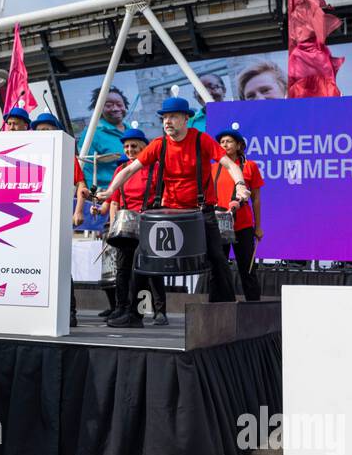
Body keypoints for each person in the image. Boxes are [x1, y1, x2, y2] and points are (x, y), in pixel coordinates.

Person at [101, 96, 250, 305]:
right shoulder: (158, 145)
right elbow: (130, 170)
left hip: (201, 211)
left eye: (172, 117)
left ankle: (222, 307)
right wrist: (110, 192)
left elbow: (230, 165)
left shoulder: (202, 140)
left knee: (217, 258)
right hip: (168, 211)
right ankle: (134, 312)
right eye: (164, 118)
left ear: (186, 119)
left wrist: (240, 185)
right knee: (142, 257)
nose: (167, 122)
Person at [105, 127, 168, 328]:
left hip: (148, 222)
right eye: (126, 146)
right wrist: (112, 228)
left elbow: (165, 196)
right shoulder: (120, 170)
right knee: (122, 269)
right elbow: (114, 202)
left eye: (134, 146)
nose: (130, 150)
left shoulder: (156, 168)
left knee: (151, 268)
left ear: (144, 148)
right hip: (125, 226)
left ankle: (160, 311)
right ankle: (121, 307)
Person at [34, 112, 88, 326]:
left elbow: (81, 185)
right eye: (39, 130)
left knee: (61, 265)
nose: (43, 134)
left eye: (47, 130)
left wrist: (78, 210)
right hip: (34, 219)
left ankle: (70, 311)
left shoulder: (67, 155)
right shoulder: (30, 154)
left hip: (57, 218)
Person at [213, 128, 265, 302]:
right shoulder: (213, 168)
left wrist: (258, 226)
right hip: (219, 225)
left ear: (238, 145)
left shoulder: (250, 166)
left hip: (242, 225)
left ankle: (254, 306)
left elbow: (256, 199)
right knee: (218, 268)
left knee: (247, 269)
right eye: (221, 142)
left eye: (228, 141)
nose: (224, 145)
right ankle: (218, 306)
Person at [76, 86, 129, 188]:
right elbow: (86, 169)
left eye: (119, 104)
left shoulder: (132, 131)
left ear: (125, 106)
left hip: (136, 193)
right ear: (99, 109)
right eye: (109, 105)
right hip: (109, 196)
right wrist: (95, 194)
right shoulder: (91, 134)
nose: (115, 108)